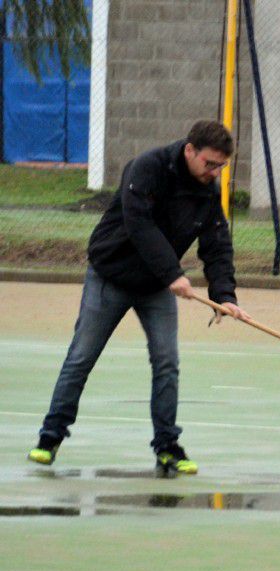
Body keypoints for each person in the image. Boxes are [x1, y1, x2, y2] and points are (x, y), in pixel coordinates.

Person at [27, 120, 250, 475]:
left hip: (155, 287)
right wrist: (172, 274)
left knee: (167, 363)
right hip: (110, 275)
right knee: (81, 357)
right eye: (210, 164)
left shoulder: (207, 191)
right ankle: (49, 438)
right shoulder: (148, 167)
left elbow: (217, 246)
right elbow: (139, 225)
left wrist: (224, 295)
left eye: (221, 167)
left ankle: (167, 446)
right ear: (189, 150)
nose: (214, 173)